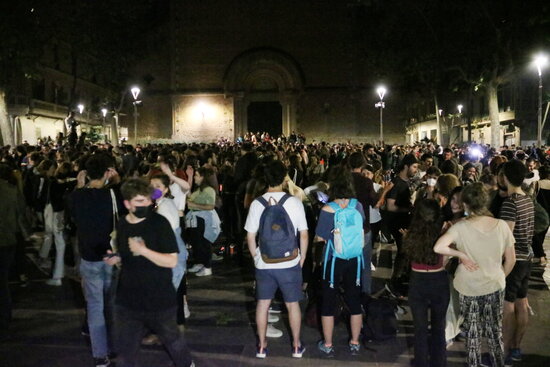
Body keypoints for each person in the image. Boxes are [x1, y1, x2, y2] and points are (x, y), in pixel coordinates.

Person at [104, 178, 194, 367]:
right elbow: (128, 257)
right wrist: (118, 258)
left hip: (159, 298)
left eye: (148, 200)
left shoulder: (159, 223)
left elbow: (171, 260)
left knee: (174, 342)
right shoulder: (122, 224)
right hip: (128, 300)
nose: (146, 205)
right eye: (140, 201)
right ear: (127, 204)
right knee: (126, 350)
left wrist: (144, 251)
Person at [434, 183, 516, 367]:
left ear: (466, 204)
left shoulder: (460, 227)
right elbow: (511, 259)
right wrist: (500, 275)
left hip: (468, 285)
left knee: (473, 331)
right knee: (494, 330)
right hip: (494, 283)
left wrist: (461, 254)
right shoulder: (502, 226)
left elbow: (438, 247)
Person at [244, 159, 308, 359]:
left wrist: (256, 257)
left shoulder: (257, 203)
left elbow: (250, 235)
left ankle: (262, 347)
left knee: (262, 304)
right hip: (290, 262)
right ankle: (296, 346)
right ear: (283, 177)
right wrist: (302, 258)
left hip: (265, 263)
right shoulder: (294, 202)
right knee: (292, 305)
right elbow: (303, 234)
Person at [67, 154, 123, 367]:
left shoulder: (76, 197)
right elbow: (138, 200)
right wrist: (117, 181)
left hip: (89, 257)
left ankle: (100, 355)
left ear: (86, 173)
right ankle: (113, 345)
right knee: (110, 303)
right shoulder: (113, 195)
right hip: (110, 255)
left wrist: (79, 186)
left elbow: (72, 215)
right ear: (108, 172)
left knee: (95, 305)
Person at [315, 166, 365, 357]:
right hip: (355, 259)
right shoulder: (357, 205)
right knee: (354, 299)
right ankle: (355, 341)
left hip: (333, 260)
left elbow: (321, 237)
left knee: (328, 300)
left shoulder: (328, 209)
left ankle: (327, 344)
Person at [404, 199, 448, 367]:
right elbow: (446, 259)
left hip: (417, 280)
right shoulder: (444, 232)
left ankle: (420, 362)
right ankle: (439, 362)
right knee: (439, 327)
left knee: (420, 329)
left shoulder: (412, 233)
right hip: (438, 279)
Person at [499, 160, 535, 365]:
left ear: (505, 177)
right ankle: (516, 349)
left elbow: (506, 237)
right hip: (527, 259)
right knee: (522, 302)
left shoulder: (510, 203)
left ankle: (504, 354)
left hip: (515, 261)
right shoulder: (527, 199)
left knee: (508, 306)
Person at [385, 153, 419, 298]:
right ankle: (394, 283)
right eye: (414, 166)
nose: (416, 170)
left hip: (403, 223)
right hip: (398, 224)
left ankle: (396, 282)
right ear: (406, 166)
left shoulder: (405, 182)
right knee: (402, 254)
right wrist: (408, 209)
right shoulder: (397, 183)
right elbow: (390, 206)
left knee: (404, 253)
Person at [38, 162, 76, 286]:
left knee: (59, 242)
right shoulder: (60, 183)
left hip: (55, 212)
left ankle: (57, 275)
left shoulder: (54, 183)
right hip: (57, 212)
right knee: (59, 241)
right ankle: (57, 273)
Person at [0, 164, 25, 340]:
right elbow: (20, 213)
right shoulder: (12, 190)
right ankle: (5, 316)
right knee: (3, 281)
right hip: (9, 238)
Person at [186, 167, 220, 277]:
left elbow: (211, 206)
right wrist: (190, 177)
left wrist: (193, 205)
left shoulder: (209, 190)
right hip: (197, 219)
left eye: (196, 175)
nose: (196, 177)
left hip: (204, 220)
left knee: (204, 243)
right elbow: (190, 196)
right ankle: (199, 262)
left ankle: (207, 266)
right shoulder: (200, 189)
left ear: (202, 177)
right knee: (197, 242)